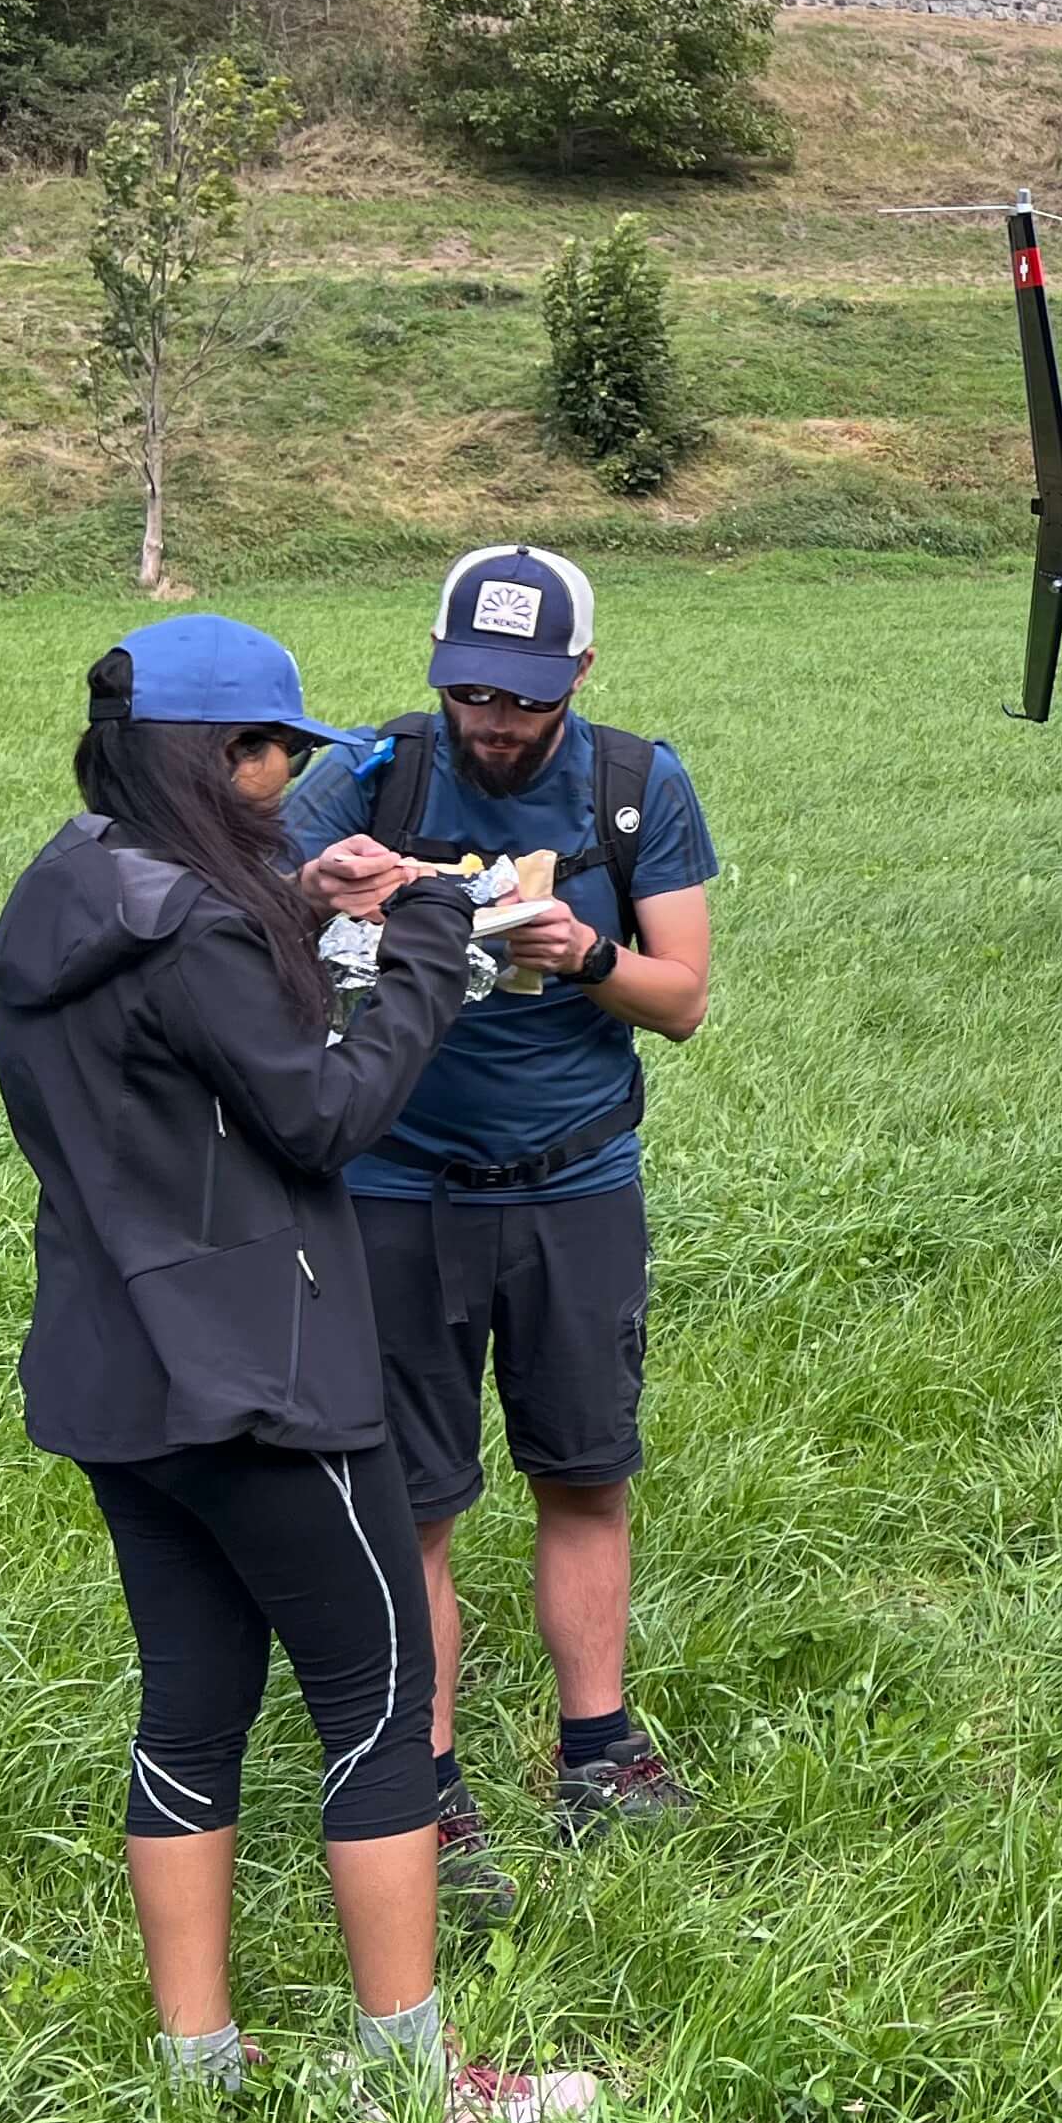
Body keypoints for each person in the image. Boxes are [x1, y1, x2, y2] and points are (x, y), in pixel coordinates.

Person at [0, 614, 596, 2123]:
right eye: (268, 758)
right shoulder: (191, 926)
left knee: (189, 1710)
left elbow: (188, 1028)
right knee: (381, 1711)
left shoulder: (66, 890)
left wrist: (295, 900)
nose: (283, 788)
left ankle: (201, 2076)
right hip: (259, 1375)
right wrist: (429, 956)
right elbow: (321, 1114)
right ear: (213, 753)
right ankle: (413, 2092)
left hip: (114, 1370)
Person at [281, 545, 715, 1919]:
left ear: (580, 675)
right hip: (396, 1188)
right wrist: (314, 891)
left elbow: (684, 997)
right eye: (471, 689)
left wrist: (577, 956)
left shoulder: (639, 788)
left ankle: (600, 1750)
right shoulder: (368, 772)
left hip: (574, 1185)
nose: (493, 720)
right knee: (416, 1505)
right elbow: (226, 915)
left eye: (523, 697)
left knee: (585, 1472)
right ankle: (431, 1783)